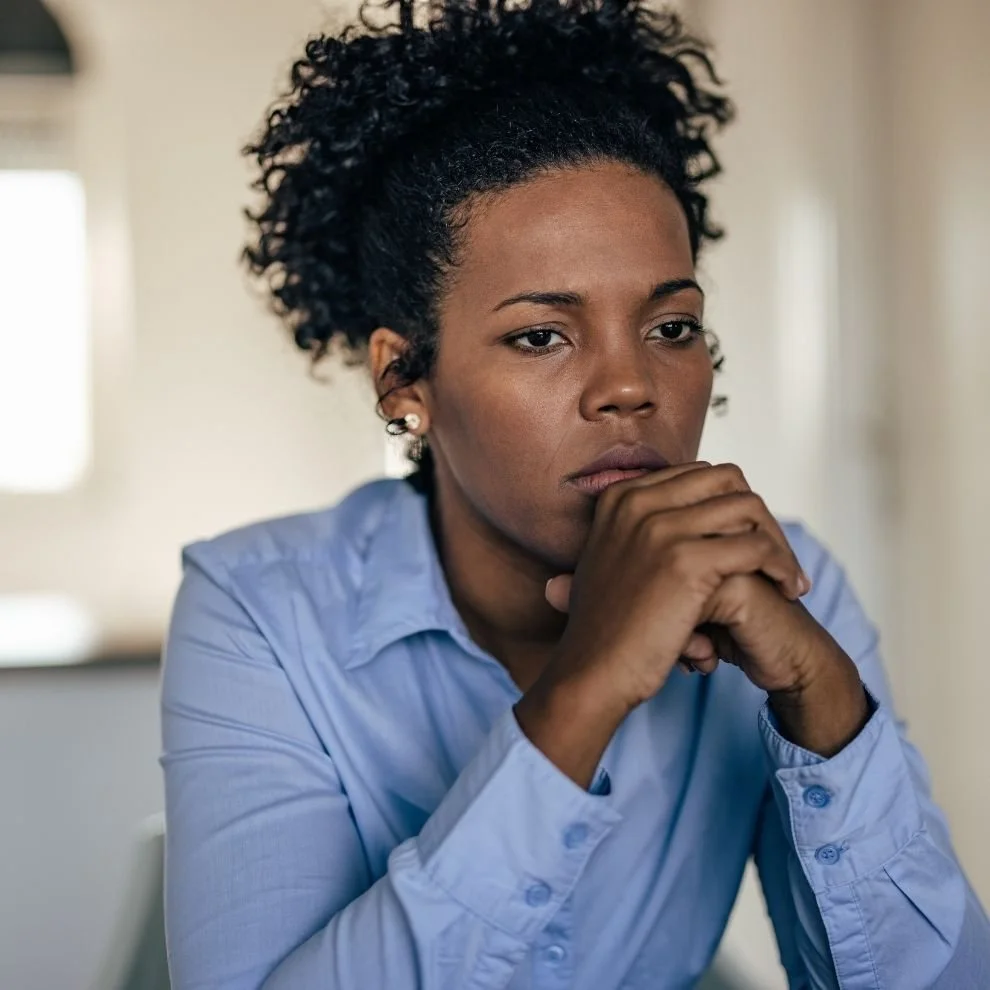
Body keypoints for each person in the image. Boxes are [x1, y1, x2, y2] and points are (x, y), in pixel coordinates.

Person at [159, 0, 990, 986]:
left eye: (671, 326)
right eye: (541, 335)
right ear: (403, 379)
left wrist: (825, 699)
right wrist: (583, 694)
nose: (631, 384)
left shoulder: (786, 586)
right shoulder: (257, 609)